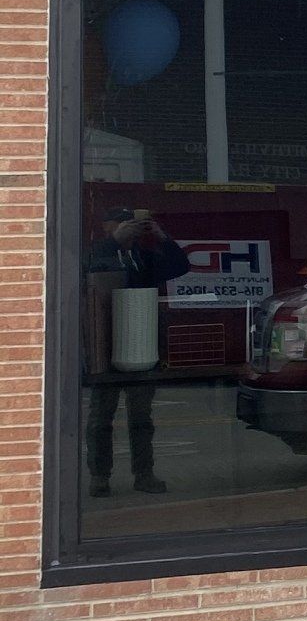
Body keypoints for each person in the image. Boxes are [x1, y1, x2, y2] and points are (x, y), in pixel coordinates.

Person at [84, 207, 189, 497]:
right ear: (107, 226)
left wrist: (161, 237)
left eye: (132, 225)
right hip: (104, 347)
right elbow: (87, 269)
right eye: (122, 224)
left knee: (142, 418)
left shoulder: (143, 256)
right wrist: (114, 241)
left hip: (140, 344)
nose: (129, 230)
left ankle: (144, 474)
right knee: (101, 418)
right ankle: (100, 476)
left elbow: (180, 267)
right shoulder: (99, 251)